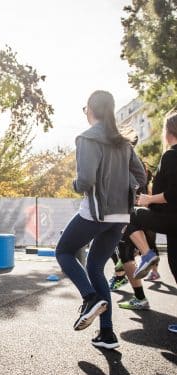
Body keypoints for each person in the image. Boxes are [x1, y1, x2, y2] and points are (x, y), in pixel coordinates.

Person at [55, 90, 146, 349]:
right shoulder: (124, 143)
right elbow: (141, 177)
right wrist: (127, 197)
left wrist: (74, 183)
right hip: (120, 216)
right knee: (95, 267)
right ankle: (107, 334)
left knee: (63, 251)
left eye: (85, 108)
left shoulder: (86, 138)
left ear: (91, 110)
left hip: (96, 212)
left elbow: (85, 181)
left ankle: (90, 297)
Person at [124, 111, 177, 333]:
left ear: (168, 132)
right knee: (176, 267)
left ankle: (147, 254)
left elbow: (173, 194)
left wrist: (148, 199)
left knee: (127, 214)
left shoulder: (172, 156)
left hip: (171, 218)